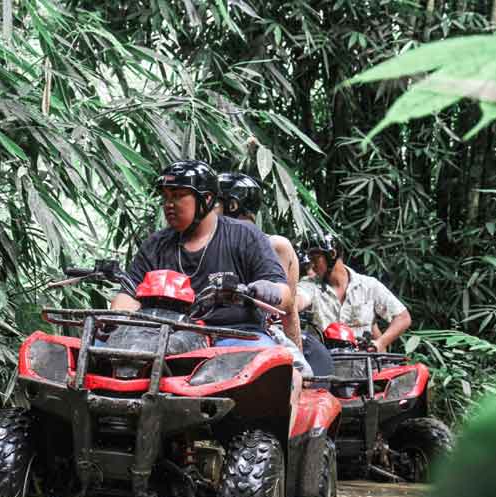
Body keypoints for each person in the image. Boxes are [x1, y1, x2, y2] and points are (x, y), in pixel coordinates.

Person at [110, 160, 292, 349]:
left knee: (269, 362)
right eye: (165, 197)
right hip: (165, 335)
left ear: (206, 199)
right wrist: (118, 316)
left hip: (234, 336)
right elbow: (129, 293)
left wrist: (269, 289)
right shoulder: (155, 244)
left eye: (178, 196)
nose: (169, 204)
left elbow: (285, 296)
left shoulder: (245, 235)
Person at [215, 171, 332, 377]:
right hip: (209, 330)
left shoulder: (274, 245)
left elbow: (288, 309)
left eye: (213, 202)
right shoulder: (202, 241)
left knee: (294, 378)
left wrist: (298, 364)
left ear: (232, 205)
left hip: (261, 332)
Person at [297, 234, 412, 352]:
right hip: (325, 365)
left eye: (315, 258)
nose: (312, 265)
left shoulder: (368, 286)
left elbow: (403, 317)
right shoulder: (310, 285)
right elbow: (299, 298)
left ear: (332, 254)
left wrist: (380, 342)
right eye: (309, 259)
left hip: (363, 363)